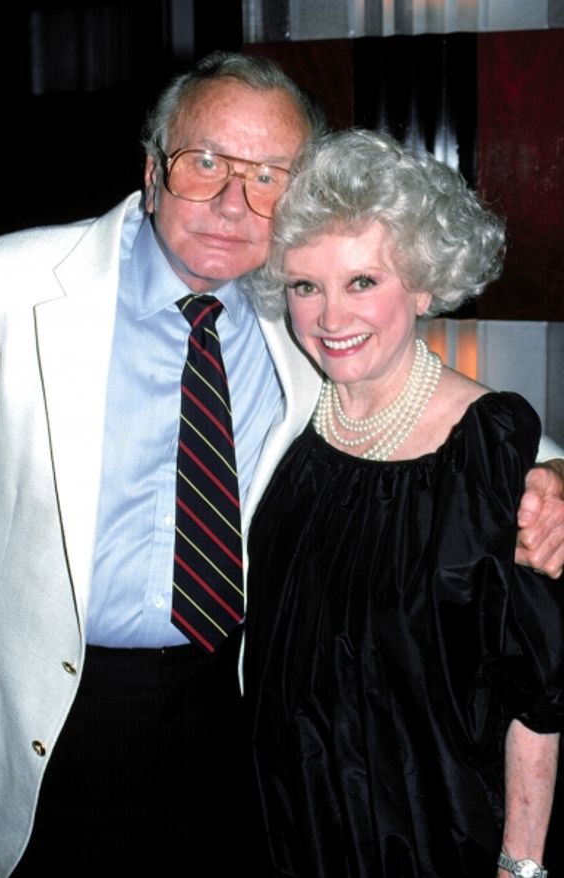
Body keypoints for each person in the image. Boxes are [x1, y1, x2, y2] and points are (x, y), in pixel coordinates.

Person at [0, 51, 562, 878]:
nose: (232, 201)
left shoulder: (290, 308)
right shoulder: (4, 285)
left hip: (235, 722)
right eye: (204, 162)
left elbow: (443, 421)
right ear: (152, 169)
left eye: (268, 174)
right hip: (56, 715)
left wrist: (554, 478)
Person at [243, 129, 564, 878]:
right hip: (288, 829)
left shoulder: (491, 455)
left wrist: (521, 866)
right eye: (305, 286)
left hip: (431, 840)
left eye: (363, 282)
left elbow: (537, 698)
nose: (329, 316)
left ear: (422, 284)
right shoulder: (289, 426)